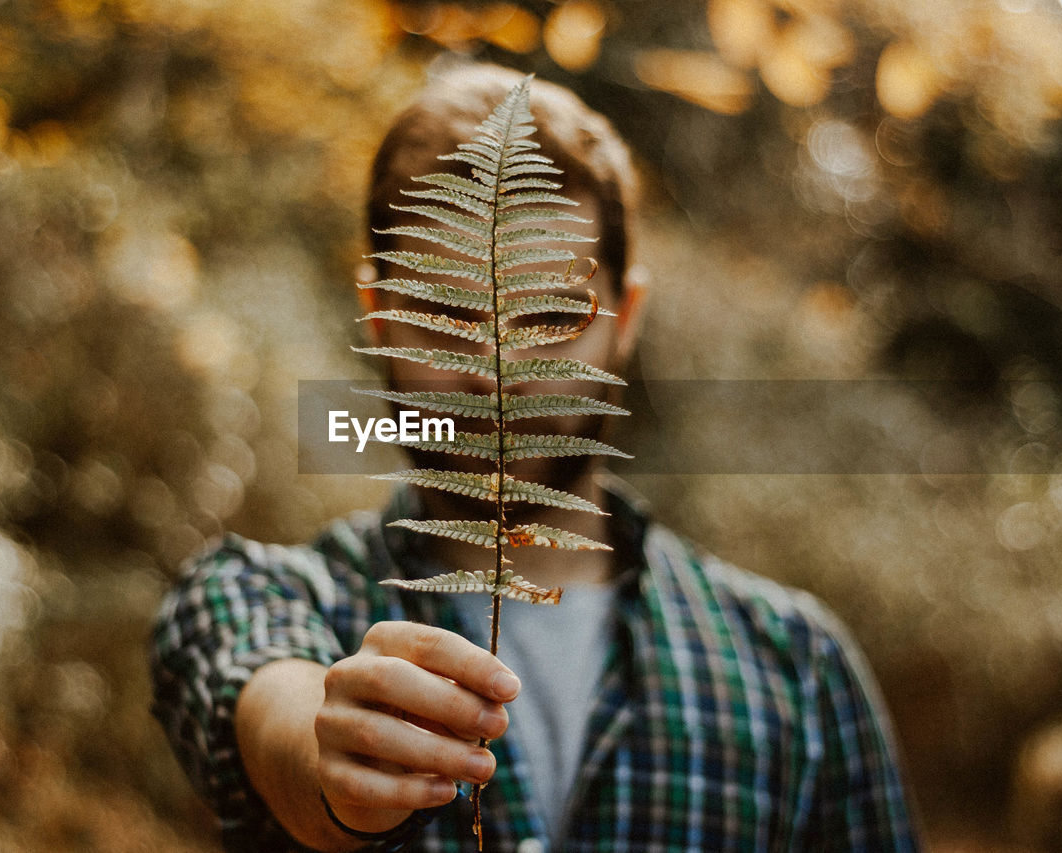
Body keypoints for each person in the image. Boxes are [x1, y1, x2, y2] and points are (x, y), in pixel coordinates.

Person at [149, 62, 922, 853]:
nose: (494, 367)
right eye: (447, 312)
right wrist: (330, 767)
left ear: (628, 317)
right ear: (377, 318)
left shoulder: (801, 670)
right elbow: (273, 706)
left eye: (551, 314)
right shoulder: (267, 597)